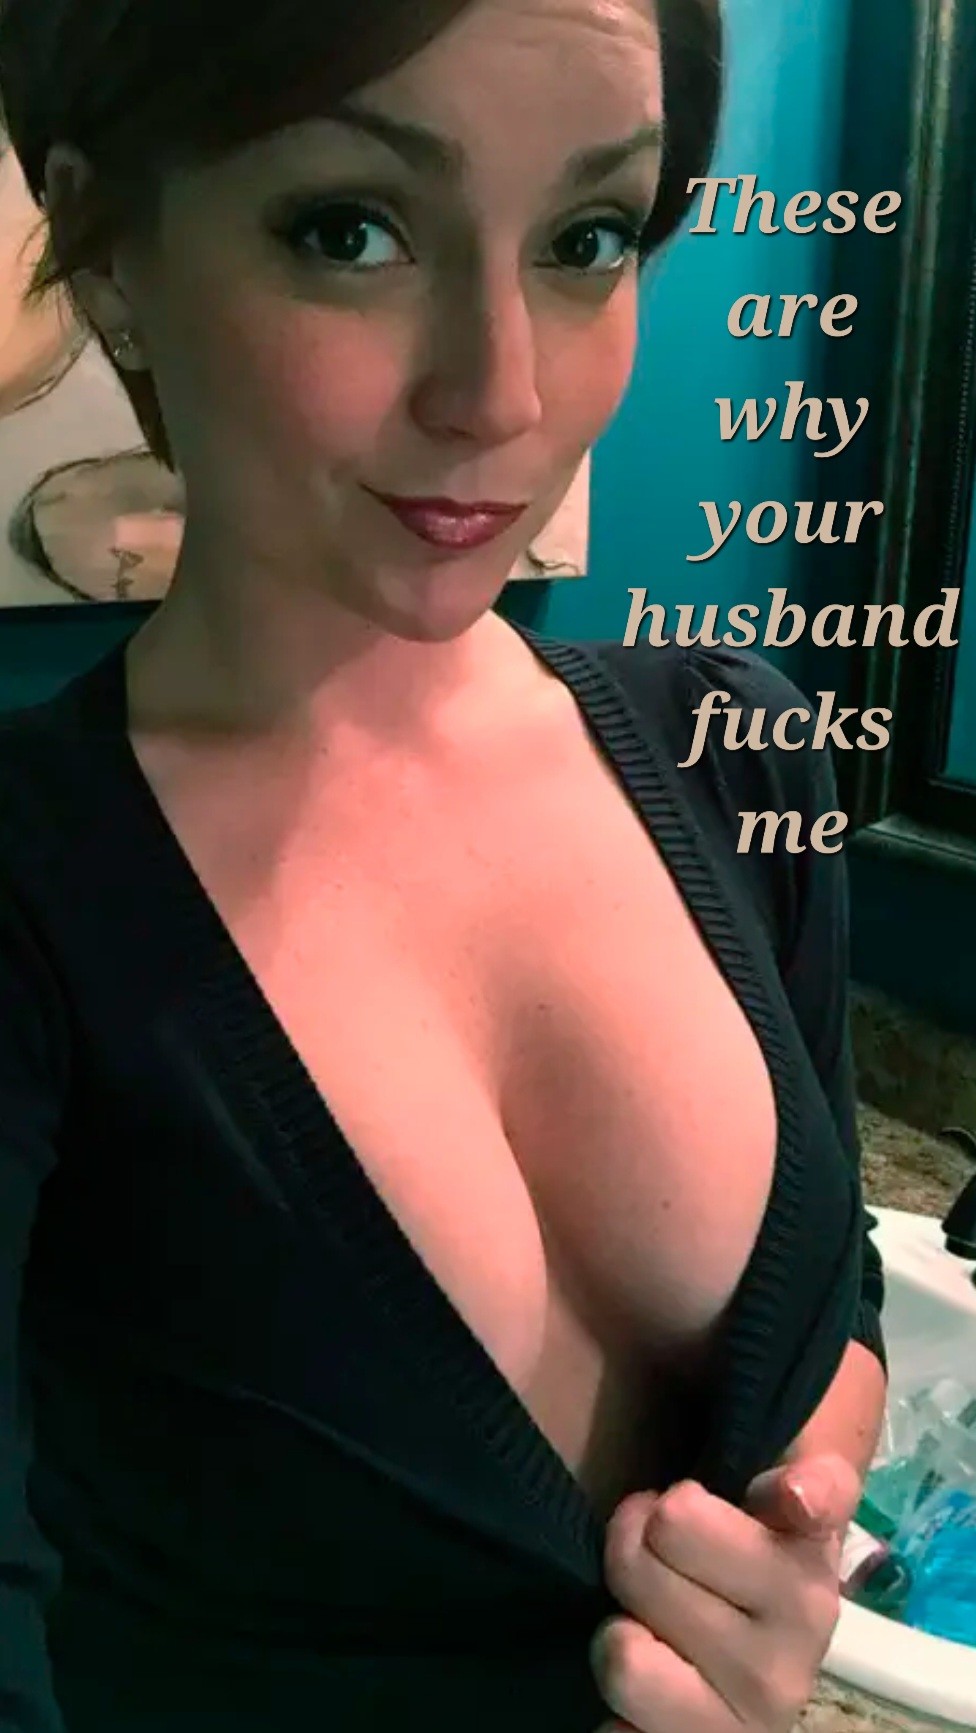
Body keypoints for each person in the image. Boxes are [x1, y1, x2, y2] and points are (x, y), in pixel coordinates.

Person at [0, 1, 888, 1729]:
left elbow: (837, 1287)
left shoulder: (739, 747)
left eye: (587, 238)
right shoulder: (29, 898)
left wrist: (788, 1547)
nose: (503, 393)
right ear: (112, 257)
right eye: (350, 228)